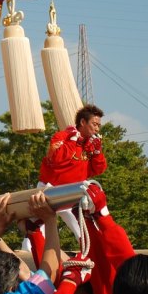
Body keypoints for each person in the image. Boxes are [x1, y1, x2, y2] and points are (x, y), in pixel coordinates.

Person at [31, 104, 107, 246]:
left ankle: (91, 254)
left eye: (98, 125)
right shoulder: (62, 136)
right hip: (50, 189)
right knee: (35, 227)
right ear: (83, 122)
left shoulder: (90, 144)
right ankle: (29, 253)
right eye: (94, 124)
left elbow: (98, 170)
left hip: (72, 193)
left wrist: (97, 152)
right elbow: (56, 159)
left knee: (82, 231)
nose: (97, 128)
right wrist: (73, 141)